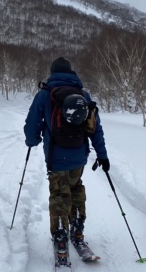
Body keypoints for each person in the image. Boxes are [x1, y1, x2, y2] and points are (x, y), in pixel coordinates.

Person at [23, 56, 110, 248]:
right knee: (76, 186)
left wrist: (32, 141)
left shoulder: (45, 94)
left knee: (59, 193)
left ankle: (61, 233)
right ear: (71, 71)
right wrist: (102, 155)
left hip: (56, 156)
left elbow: (32, 125)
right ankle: (77, 227)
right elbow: (95, 128)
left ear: (53, 73)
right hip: (79, 155)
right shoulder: (83, 95)